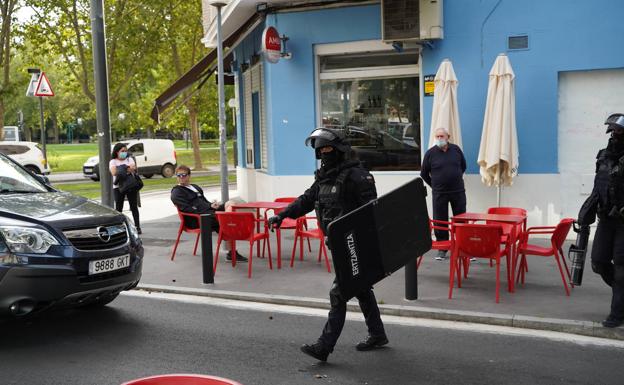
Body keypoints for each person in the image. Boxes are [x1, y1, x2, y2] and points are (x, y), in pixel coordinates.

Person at [267, 127, 387, 362]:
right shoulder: (324, 178)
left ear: (340, 149)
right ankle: (378, 334)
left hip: (356, 245)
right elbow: (306, 201)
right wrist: (282, 215)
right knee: (361, 289)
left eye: (328, 148)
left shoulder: (357, 176)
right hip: (338, 245)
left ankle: (324, 346)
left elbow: (372, 213)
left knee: (339, 294)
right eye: (320, 149)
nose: (324, 153)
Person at [577, 113, 624, 328]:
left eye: (618, 130)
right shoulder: (604, 156)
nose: (614, 134)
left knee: (622, 267)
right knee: (598, 262)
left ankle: (617, 313)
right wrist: (586, 210)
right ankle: (621, 294)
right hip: (605, 219)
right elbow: (599, 186)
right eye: (613, 130)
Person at [170, 165, 247, 262]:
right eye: (179, 175)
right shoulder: (177, 192)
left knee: (230, 203)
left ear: (189, 176)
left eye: (184, 175)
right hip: (197, 219)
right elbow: (186, 209)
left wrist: (211, 205)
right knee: (226, 221)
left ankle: (227, 223)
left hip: (208, 212)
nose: (181, 177)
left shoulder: (195, 187)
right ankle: (231, 251)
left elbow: (204, 202)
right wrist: (207, 210)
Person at [420, 127, 467, 260]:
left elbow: (463, 166)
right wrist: (434, 185)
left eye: (442, 136)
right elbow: (423, 173)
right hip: (439, 193)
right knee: (440, 219)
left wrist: (455, 178)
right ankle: (442, 247)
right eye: (437, 137)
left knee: (461, 218)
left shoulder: (456, 150)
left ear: (448, 137)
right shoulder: (430, 153)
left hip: (458, 191)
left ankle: (463, 245)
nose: (439, 139)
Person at [110, 142, 141, 234]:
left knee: (134, 207)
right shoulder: (113, 161)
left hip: (130, 185)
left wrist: (121, 169)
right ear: (117, 152)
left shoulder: (129, 159)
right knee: (119, 208)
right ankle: (119, 227)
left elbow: (133, 168)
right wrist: (126, 168)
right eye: (122, 151)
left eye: (126, 151)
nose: (125, 152)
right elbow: (114, 172)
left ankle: (137, 226)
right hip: (118, 187)